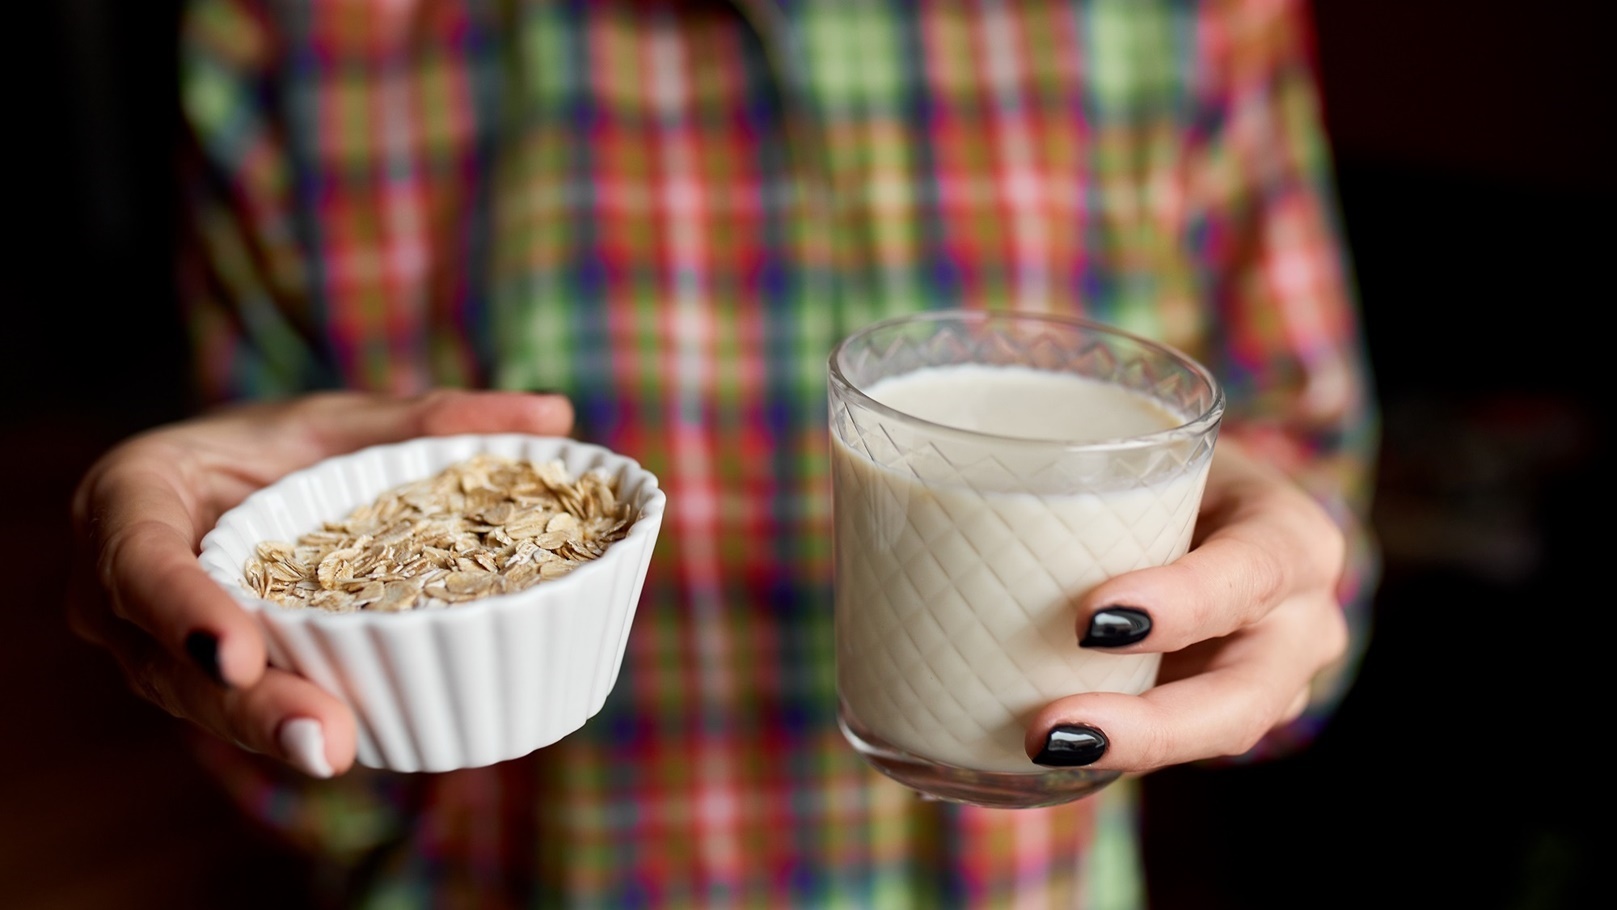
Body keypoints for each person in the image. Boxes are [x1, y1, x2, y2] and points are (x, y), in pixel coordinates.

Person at [69, 0, 1378, 906]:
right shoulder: (302, 32)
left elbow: (1306, 492)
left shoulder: (1188, 19)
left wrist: (1260, 605)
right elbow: (269, 622)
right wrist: (251, 688)